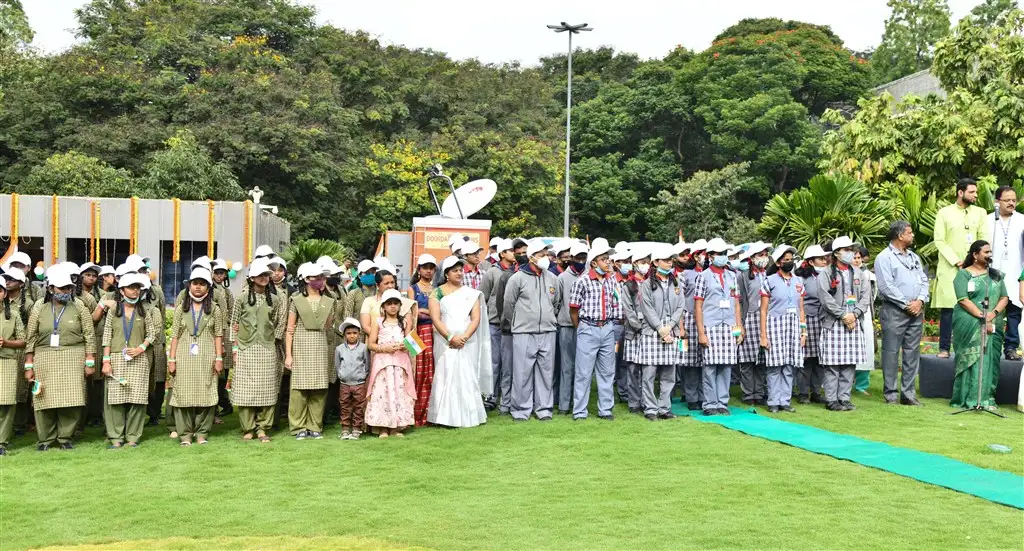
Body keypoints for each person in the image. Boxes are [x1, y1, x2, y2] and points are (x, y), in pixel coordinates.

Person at [24, 267, 96, 450]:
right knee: (43, 399)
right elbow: (30, 337)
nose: (65, 292)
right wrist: (29, 365)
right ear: (50, 288)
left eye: (68, 288)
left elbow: (89, 334)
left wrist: (90, 361)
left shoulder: (79, 305)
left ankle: (65, 438)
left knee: (72, 399)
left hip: (73, 356)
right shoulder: (39, 306)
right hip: (44, 356)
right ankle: (45, 440)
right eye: (61, 288)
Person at [427, 256, 491, 428]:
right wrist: (450, 337)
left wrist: (464, 337)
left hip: (466, 341)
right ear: (446, 273)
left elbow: (475, 318)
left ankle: (468, 415)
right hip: (445, 341)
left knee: (466, 376)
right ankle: (443, 417)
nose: (459, 273)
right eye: (455, 270)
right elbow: (436, 318)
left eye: (461, 270)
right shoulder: (437, 293)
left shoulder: (471, 293)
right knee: (446, 375)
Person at [228, 259, 286, 442]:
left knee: (267, 389)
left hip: (268, 348)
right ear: (252, 278)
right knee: (246, 390)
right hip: (246, 347)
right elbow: (234, 323)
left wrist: (274, 339)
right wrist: (235, 348)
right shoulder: (242, 297)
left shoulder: (274, 300)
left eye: (266, 275)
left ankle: (263, 428)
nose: (264, 278)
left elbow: (278, 322)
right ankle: (248, 428)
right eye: (260, 275)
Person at [932, 178, 991, 358]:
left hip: (975, 267)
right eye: (971, 192)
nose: (975, 195)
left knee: (974, 305)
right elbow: (939, 240)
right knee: (949, 307)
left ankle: (970, 348)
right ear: (960, 192)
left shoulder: (980, 213)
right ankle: (944, 348)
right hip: (951, 267)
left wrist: (977, 261)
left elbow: (983, 238)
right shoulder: (944, 213)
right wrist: (957, 261)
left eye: (975, 192)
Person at [503, 239, 560, 422]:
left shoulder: (552, 278)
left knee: (546, 372)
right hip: (524, 332)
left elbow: (556, 303)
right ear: (531, 257)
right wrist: (519, 323)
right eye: (542, 255)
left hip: (547, 331)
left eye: (547, 255)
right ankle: (520, 410)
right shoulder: (517, 278)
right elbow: (508, 305)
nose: (546, 258)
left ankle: (543, 409)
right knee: (522, 372)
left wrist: (549, 319)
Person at [101, 273, 159, 448]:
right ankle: (116, 438)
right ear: (122, 290)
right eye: (132, 287)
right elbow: (107, 336)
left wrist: (141, 347)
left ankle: (133, 437)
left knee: (137, 399)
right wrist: (106, 360)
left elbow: (152, 333)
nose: (135, 291)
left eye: (137, 288)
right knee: (115, 399)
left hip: (138, 359)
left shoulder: (144, 311)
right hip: (117, 358)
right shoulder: (113, 311)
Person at [875, 221, 929, 406]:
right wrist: (907, 304)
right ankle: (890, 393)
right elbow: (886, 286)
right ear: (900, 236)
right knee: (891, 352)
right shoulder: (885, 257)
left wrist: (920, 300)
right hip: (895, 310)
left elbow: (924, 280)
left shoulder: (914, 257)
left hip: (916, 311)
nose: (913, 235)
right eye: (910, 232)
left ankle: (908, 394)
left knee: (912, 352)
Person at [167, 268, 223, 446]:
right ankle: (184, 434)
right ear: (189, 285)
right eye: (195, 283)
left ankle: (201, 433)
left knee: (206, 393)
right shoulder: (181, 308)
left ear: (208, 287)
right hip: (184, 357)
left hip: (207, 357)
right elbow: (174, 336)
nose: (198, 287)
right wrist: (172, 359)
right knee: (183, 394)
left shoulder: (214, 309)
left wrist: (219, 358)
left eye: (202, 284)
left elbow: (218, 335)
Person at [569, 238, 623, 421]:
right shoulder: (582, 281)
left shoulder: (611, 280)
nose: (608, 261)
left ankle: (606, 409)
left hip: (607, 327)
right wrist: (581, 327)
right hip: (588, 326)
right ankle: (579, 411)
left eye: (608, 258)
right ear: (594, 263)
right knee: (583, 372)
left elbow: (615, 303)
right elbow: (573, 309)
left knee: (607, 371)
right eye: (604, 259)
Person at [950, 240, 1008, 410]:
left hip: (993, 321)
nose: (989, 255)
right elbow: (963, 300)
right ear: (975, 255)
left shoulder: (995, 275)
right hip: (969, 320)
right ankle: (967, 398)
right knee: (971, 359)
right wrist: (983, 317)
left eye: (990, 252)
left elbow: (1004, 297)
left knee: (990, 359)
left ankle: (986, 398)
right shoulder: (964, 274)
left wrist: (993, 314)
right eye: (986, 252)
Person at [816, 236, 871, 412]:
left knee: (849, 363)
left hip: (853, 322)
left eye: (851, 249)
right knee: (832, 364)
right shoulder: (825, 273)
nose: (850, 253)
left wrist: (854, 314)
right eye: (846, 250)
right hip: (834, 322)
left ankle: (844, 398)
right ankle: (831, 399)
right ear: (837, 253)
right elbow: (825, 298)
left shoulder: (858, 273)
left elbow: (865, 296)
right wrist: (843, 315)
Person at [285, 263, 335, 440]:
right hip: (301, 346)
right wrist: (289, 355)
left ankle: (315, 425)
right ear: (306, 279)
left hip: (320, 346)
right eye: (317, 278)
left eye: (322, 278)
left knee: (319, 388)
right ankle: (298, 426)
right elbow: (290, 329)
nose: (320, 281)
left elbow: (329, 325)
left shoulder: (329, 300)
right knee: (299, 389)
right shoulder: (296, 300)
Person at [694, 238, 744, 416]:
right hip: (711, 325)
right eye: (719, 254)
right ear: (710, 256)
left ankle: (722, 402)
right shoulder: (703, 276)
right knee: (710, 367)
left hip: (729, 325)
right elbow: (698, 306)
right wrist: (701, 333)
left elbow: (736, 303)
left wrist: (739, 327)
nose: (723, 257)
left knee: (726, 366)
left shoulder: (732, 276)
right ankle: (710, 404)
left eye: (724, 254)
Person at [637, 244, 683, 421]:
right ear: (655, 262)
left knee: (669, 373)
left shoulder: (677, 281)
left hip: (670, 329)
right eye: (665, 260)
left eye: (670, 260)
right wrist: (660, 328)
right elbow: (646, 308)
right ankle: (650, 408)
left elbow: (680, 306)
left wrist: (670, 326)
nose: (669, 263)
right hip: (652, 331)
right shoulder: (647, 284)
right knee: (649, 373)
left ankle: (664, 408)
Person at [758, 245, 804, 413]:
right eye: (786, 260)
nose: (789, 262)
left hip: (793, 326)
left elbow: (801, 308)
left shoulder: (798, 281)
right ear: (778, 263)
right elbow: (763, 310)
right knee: (774, 366)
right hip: (775, 326)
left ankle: (785, 401)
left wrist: (803, 331)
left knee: (789, 366)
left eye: (791, 260)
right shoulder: (769, 281)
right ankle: (773, 402)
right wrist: (763, 335)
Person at [365, 289, 416, 438]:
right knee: (383, 392)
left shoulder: (405, 322)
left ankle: (396, 427)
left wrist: (407, 345)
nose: (392, 306)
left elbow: (413, 344)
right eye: (389, 304)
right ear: (384, 306)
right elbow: (371, 344)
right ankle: (383, 428)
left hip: (400, 364)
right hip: (383, 364)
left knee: (399, 392)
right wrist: (384, 348)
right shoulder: (378, 322)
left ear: (400, 305)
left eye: (395, 303)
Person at [988, 186, 1024, 360]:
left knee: (1014, 312)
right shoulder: (988, 221)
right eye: (1007, 200)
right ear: (997, 202)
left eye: (1013, 200)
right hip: (993, 274)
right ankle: (989, 346)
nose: (1011, 203)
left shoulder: (1022, 220)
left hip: (1016, 273)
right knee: (992, 311)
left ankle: (1010, 347)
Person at [480, 238, 515, 412]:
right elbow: (483, 298)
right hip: (494, 323)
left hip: (511, 325)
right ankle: (490, 396)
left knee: (509, 364)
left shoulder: (518, 272)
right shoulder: (491, 273)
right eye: (511, 250)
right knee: (494, 362)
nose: (514, 253)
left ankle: (505, 399)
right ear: (502, 253)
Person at [554, 241, 587, 414]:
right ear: (572, 258)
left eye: (584, 257)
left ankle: (579, 403)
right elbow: (556, 303)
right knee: (567, 367)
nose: (581, 260)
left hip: (587, 326)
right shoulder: (562, 278)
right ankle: (564, 405)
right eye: (578, 257)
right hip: (567, 326)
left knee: (582, 368)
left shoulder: (589, 276)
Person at [737, 242, 771, 405]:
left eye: (765, 254)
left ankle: (760, 392)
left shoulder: (770, 274)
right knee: (747, 360)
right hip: (750, 318)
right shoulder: (743, 275)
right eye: (760, 255)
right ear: (751, 258)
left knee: (763, 359)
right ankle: (748, 393)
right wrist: (741, 323)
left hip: (766, 319)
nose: (763, 258)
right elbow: (740, 299)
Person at [406, 254, 437, 427]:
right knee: (415, 372)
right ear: (419, 269)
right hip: (415, 333)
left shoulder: (437, 289)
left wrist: (425, 311)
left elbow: (437, 313)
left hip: (433, 333)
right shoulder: (413, 288)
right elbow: (411, 312)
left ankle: (428, 414)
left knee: (430, 373)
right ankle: (413, 415)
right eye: (425, 267)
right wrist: (428, 312)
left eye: (431, 268)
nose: (428, 271)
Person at [795, 245, 828, 404]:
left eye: (824, 258)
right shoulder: (802, 278)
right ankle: (802, 392)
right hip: (808, 319)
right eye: (821, 259)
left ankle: (816, 391)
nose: (824, 261)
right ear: (810, 261)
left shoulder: (825, 275)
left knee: (820, 358)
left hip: (823, 319)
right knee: (806, 358)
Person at [621, 247, 649, 414]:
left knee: (647, 369)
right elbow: (628, 309)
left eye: (647, 262)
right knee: (632, 369)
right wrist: (638, 326)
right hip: (633, 332)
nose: (645, 265)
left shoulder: (650, 283)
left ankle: (646, 400)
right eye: (642, 262)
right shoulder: (629, 285)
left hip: (648, 331)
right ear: (635, 264)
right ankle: (634, 402)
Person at [675, 243, 704, 410]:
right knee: (688, 360)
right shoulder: (685, 275)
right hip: (687, 320)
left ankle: (702, 395)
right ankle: (691, 396)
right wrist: (681, 326)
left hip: (706, 321)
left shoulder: (708, 274)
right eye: (703, 254)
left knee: (704, 360)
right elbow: (679, 302)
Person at [0, 279, 26, 455]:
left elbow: (23, 340)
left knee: (7, 404)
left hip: (7, 361)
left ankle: (2, 442)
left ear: (4, 294)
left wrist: (6, 342)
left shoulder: (14, 315)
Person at [335, 318, 368, 440]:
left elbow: (367, 364)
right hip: (344, 383)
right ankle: (345, 429)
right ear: (344, 335)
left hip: (359, 383)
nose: (352, 336)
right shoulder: (339, 349)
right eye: (349, 333)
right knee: (345, 405)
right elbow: (337, 365)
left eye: (355, 333)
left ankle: (356, 429)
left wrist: (363, 376)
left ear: (359, 334)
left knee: (359, 406)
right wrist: (341, 375)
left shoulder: (364, 348)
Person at [852, 246, 877, 395]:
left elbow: (872, 297)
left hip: (865, 314)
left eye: (858, 258)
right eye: (854, 257)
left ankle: (862, 385)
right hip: (846, 315)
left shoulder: (868, 275)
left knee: (866, 348)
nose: (856, 260)